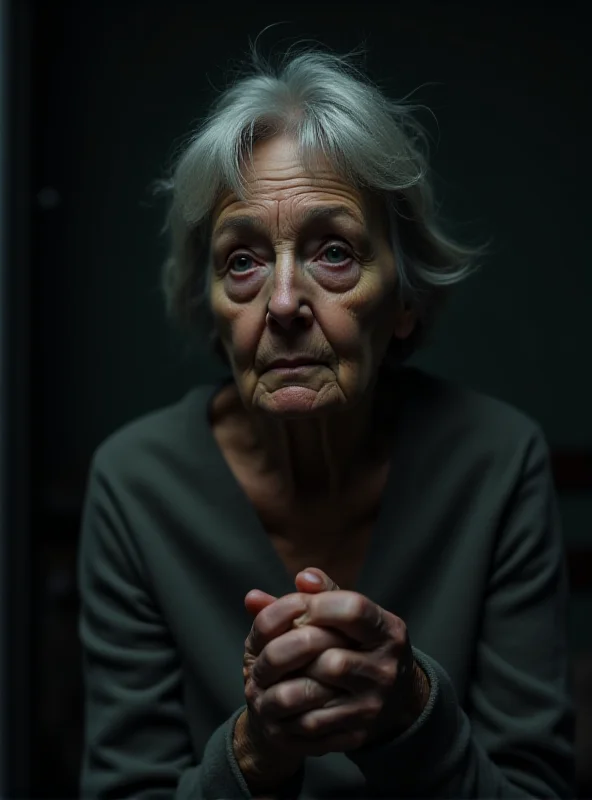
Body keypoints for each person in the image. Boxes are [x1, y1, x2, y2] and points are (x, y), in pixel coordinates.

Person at [78, 35, 575, 800]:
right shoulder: (135, 482)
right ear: (212, 310)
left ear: (403, 298)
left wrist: (412, 712)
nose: (281, 303)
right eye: (241, 260)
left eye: (334, 252)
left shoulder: (498, 459)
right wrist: (253, 749)